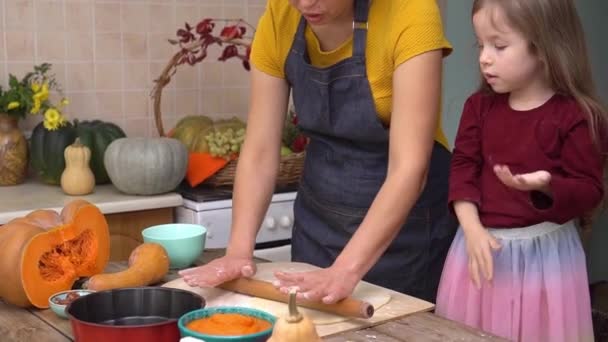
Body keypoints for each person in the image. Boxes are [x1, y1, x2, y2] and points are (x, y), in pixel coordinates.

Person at [179, 0, 456, 304]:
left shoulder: (410, 11)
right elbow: (259, 152)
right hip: (318, 225)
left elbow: (409, 168)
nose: (305, 3)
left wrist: (346, 269)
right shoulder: (281, 15)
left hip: (406, 234)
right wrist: (238, 252)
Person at [434, 0, 607, 341]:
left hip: (547, 266)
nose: (484, 56)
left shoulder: (577, 116)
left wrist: (546, 185)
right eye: (480, 44)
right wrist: (471, 230)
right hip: (478, 252)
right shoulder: (478, 107)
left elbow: (589, 190)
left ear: (544, 47)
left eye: (498, 45)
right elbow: (463, 169)